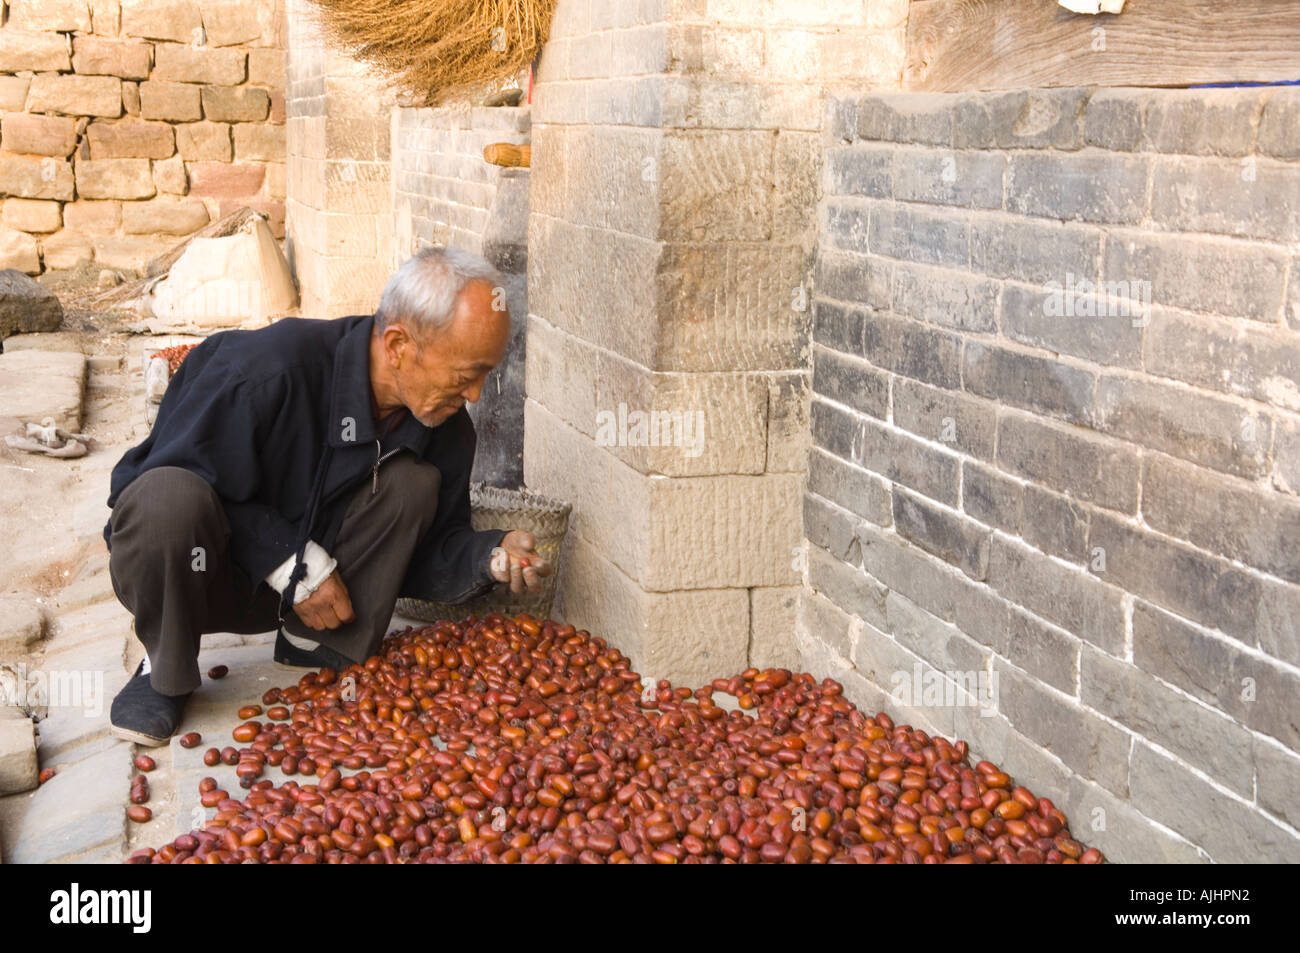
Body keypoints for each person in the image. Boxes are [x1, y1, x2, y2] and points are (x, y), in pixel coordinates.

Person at [101, 247, 549, 746]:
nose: (476, 395)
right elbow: (140, 491)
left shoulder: (444, 429)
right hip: (205, 578)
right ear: (398, 344)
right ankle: (163, 671)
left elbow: (428, 550)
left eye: (487, 374)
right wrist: (291, 562)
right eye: (467, 374)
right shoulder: (264, 371)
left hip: (323, 605)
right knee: (168, 497)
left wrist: (489, 555)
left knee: (413, 482)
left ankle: (316, 645)